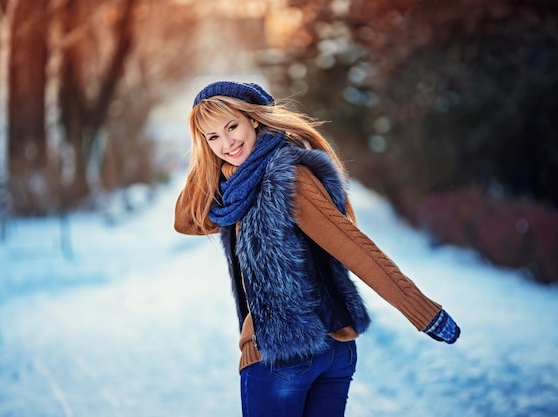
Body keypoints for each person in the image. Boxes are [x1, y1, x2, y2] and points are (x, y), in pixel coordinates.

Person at [174, 81, 460, 417]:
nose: (227, 143)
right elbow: (186, 220)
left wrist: (423, 312)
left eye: (232, 126)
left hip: (282, 356)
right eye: (213, 137)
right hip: (330, 352)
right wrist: (210, 161)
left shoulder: (286, 177)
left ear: (255, 119)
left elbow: (354, 246)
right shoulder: (238, 190)